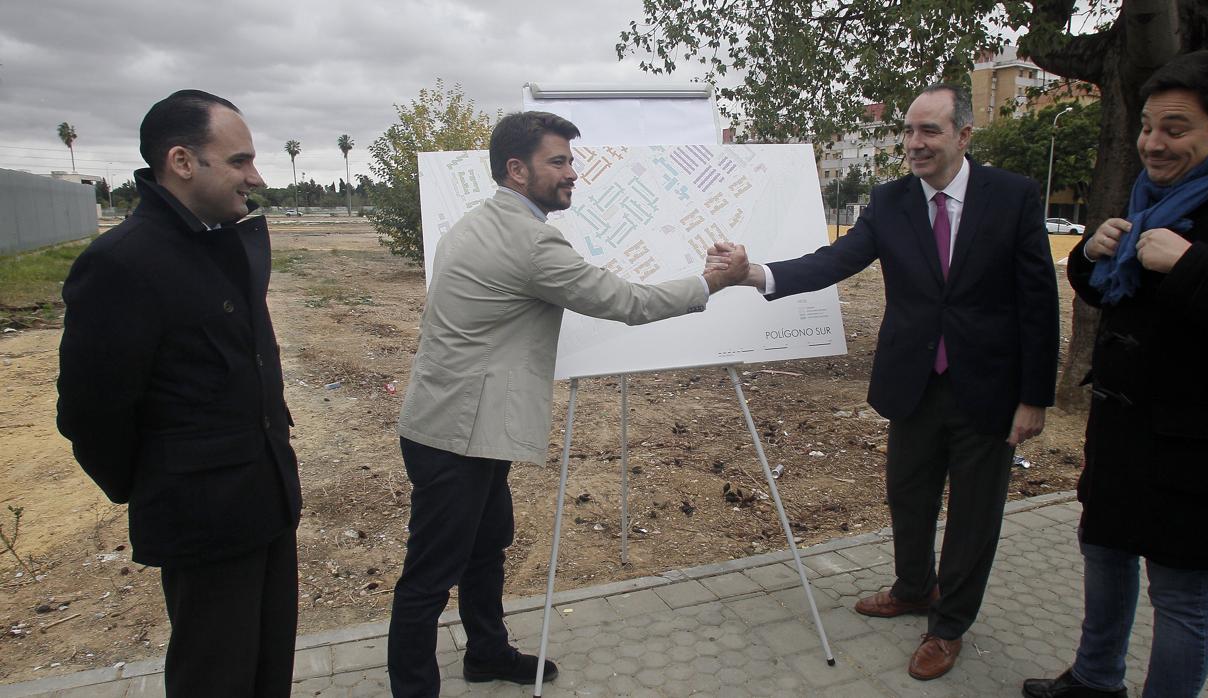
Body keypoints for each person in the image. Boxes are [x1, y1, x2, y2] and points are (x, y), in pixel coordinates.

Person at [387, 110, 749, 697]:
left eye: (571, 161)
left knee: (485, 547)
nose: (572, 173)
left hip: (461, 424)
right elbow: (624, 301)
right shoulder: (529, 241)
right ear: (516, 169)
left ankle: (485, 652)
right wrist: (710, 282)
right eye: (558, 161)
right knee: (429, 577)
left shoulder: (480, 222)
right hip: (456, 434)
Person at [711, 83, 1059, 680]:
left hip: (990, 389)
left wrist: (1034, 397)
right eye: (908, 130)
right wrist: (754, 273)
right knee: (908, 495)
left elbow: (1039, 301)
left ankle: (948, 626)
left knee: (975, 515)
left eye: (929, 131)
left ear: (964, 136)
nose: (915, 143)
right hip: (914, 384)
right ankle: (913, 588)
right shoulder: (890, 200)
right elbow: (833, 262)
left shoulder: (1013, 196)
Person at [57, 90, 300, 697]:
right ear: (183, 162)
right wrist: (162, 481)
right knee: (214, 676)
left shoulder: (222, 241)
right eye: (240, 160)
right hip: (202, 515)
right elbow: (91, 412)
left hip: (266, 499)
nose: (256, 176)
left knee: (268, 670)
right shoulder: (124, 262)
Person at [1023, 50, 1208, 698]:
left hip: (1202, 450)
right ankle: (1095, 681)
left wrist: (1192, 265)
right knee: (1106, 558)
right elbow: (1117, 296)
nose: (1152, 143)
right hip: (1124, 433)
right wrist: (1090, 260)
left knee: (1180, 597)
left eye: (1175, 129)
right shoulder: (1152, 196)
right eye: (1147, 126)